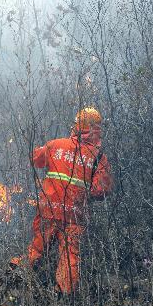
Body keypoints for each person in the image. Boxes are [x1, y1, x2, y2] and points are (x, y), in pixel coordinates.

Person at [16, 107, 112, 293]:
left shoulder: (56, 145)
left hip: (48, 209)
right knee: (70, 256)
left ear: (77, 125)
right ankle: (64, 294)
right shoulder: (99, 157)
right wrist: (84, 194)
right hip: (75, 215)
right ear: (97, 128)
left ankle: (15, 272)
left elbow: (35, 158)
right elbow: (102, 190)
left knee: (37, 248)